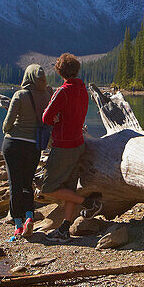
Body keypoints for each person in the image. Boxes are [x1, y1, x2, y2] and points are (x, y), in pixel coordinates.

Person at [40, 53, 102, 242]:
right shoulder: (83, 90)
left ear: (60, 71)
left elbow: (46, 118)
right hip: (78, 143)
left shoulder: (63, 91)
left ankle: (89, 204)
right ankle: (64, 230)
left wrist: (57, 118)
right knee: (70, 188)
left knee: (47, 187)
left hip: (64, 146)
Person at [2, 64, 52, 241]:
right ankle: (30, 215)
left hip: (13, 144)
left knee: (14, 183)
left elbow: (7, 123)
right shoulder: (47, 96)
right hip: (33, 146)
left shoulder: (20, 95)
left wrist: (7, 129)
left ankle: (18, 224)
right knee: (27, 182)